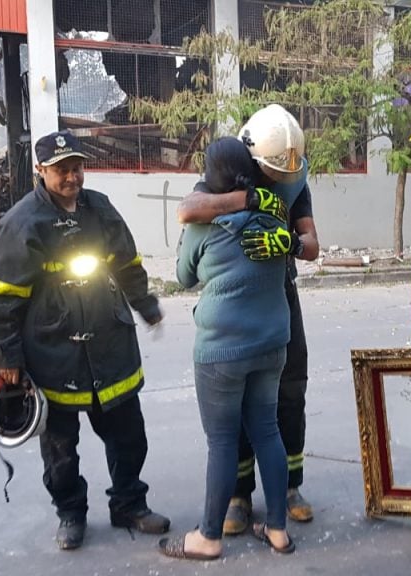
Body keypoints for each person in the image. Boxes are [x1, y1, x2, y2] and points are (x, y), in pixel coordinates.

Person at [0, 130, 169, 550]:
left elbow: (127, 264)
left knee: (128, 435)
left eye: (77, 168)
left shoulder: (100, 209)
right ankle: (70, 512)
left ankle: (129, 504)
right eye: (61, 169)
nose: (72, 177)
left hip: (109, 347)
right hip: (53, 354)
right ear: (41, 171)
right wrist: (6, 355)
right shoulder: (23, 223)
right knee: (60, 450)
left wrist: (145, 304)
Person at [176, 104, 320, 535]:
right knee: (237, 409)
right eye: (272, 173)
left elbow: (313, 244)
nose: (281, 180)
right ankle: (239, 495)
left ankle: (291, 488)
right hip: (238, 304)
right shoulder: (228, 171)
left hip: (279, 296)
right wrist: (254, 199)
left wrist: (291, 242)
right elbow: (189, 209)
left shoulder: (294, 174)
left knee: (289, 393)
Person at [160, 137, 295, 561]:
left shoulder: (203, 223)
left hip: (222, 349)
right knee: (268, 430)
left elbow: (183, 277)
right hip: (272, 342)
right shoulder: (275, 211)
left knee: (221, 441)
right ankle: (277, 531)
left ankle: (209, 537)